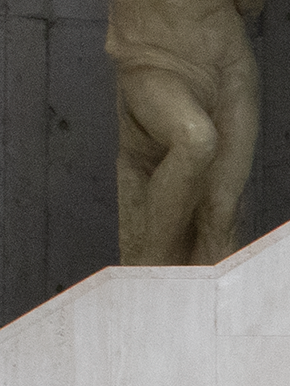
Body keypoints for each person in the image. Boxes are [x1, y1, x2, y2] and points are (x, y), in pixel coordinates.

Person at [107, 0, 263, 266]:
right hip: (153, 59)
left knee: (221, 210)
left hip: (231, 67)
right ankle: (149, 270)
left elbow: (251, 5)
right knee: (196, 140)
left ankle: (208, 291)